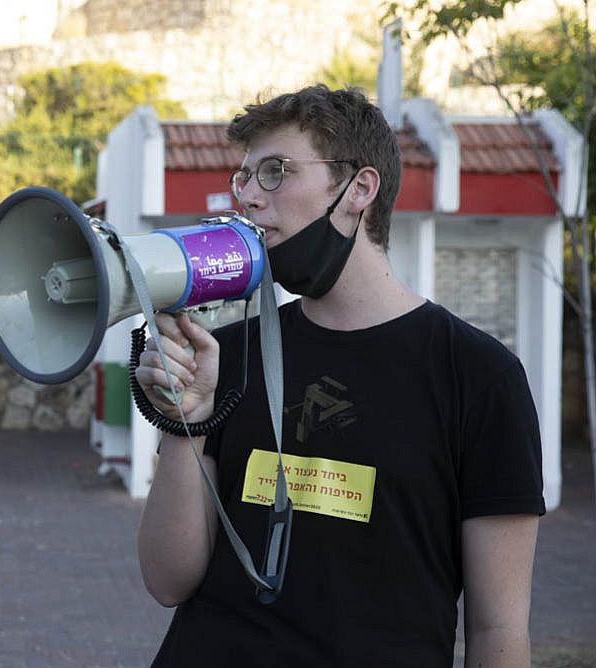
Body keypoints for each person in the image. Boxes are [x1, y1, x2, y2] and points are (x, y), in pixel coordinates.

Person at [135, 85, 544, 667]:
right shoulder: (223, 356)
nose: (247, 196)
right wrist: (185, 426)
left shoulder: (478, 376)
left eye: (275, 172)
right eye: (244, 177)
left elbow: (498, 629)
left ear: (359, 189)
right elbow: (167, 581)